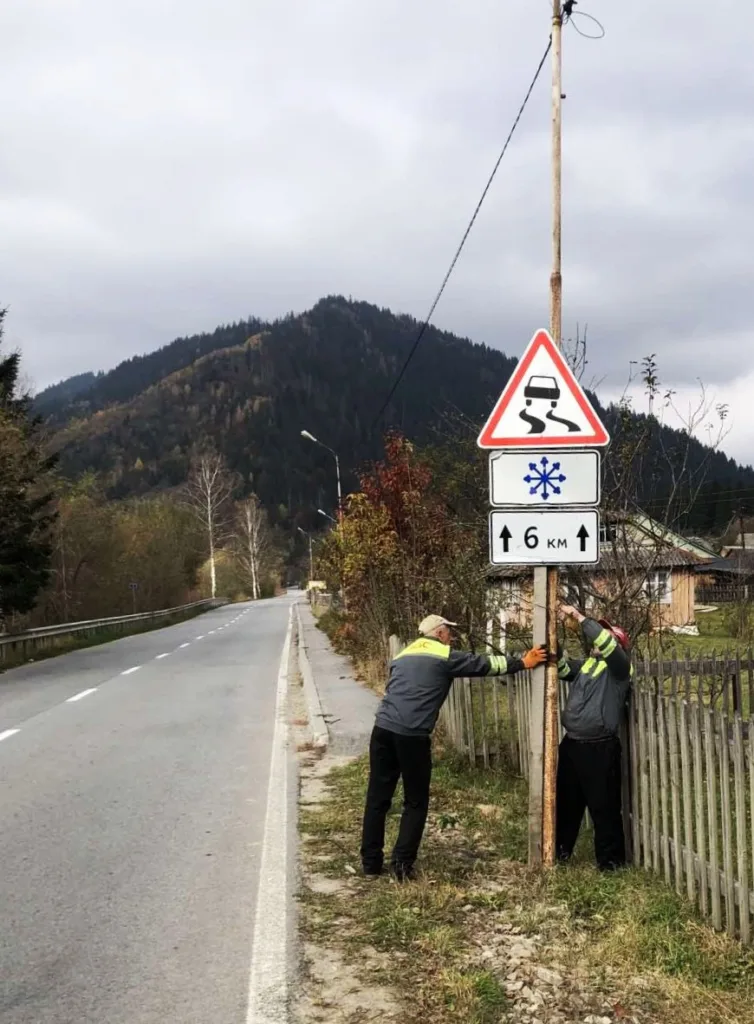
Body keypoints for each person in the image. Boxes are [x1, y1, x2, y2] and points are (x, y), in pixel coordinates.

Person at [360, 613, 547, 881]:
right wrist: (522, 662)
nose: (451, 637)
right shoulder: (444, 656)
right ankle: (401, 866)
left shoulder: (402, 655)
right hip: (412, 735)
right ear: (438, 633)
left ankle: (370, 863)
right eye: (449, 631)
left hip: (383, 729)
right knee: (415, 801)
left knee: (378, 796)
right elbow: (484, 664)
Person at [555, 604, 633, 871]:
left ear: (617, 645)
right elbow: (562, 668)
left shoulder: (619, 669)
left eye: (607, 636)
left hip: (600, 748)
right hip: (572, 745)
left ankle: (610, 863)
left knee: (604, 807)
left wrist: (579, 617)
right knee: (567, 804)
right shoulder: (587, 666)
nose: (600, 639)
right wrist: (552, 635)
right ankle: (559, 852)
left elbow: (606, 643)